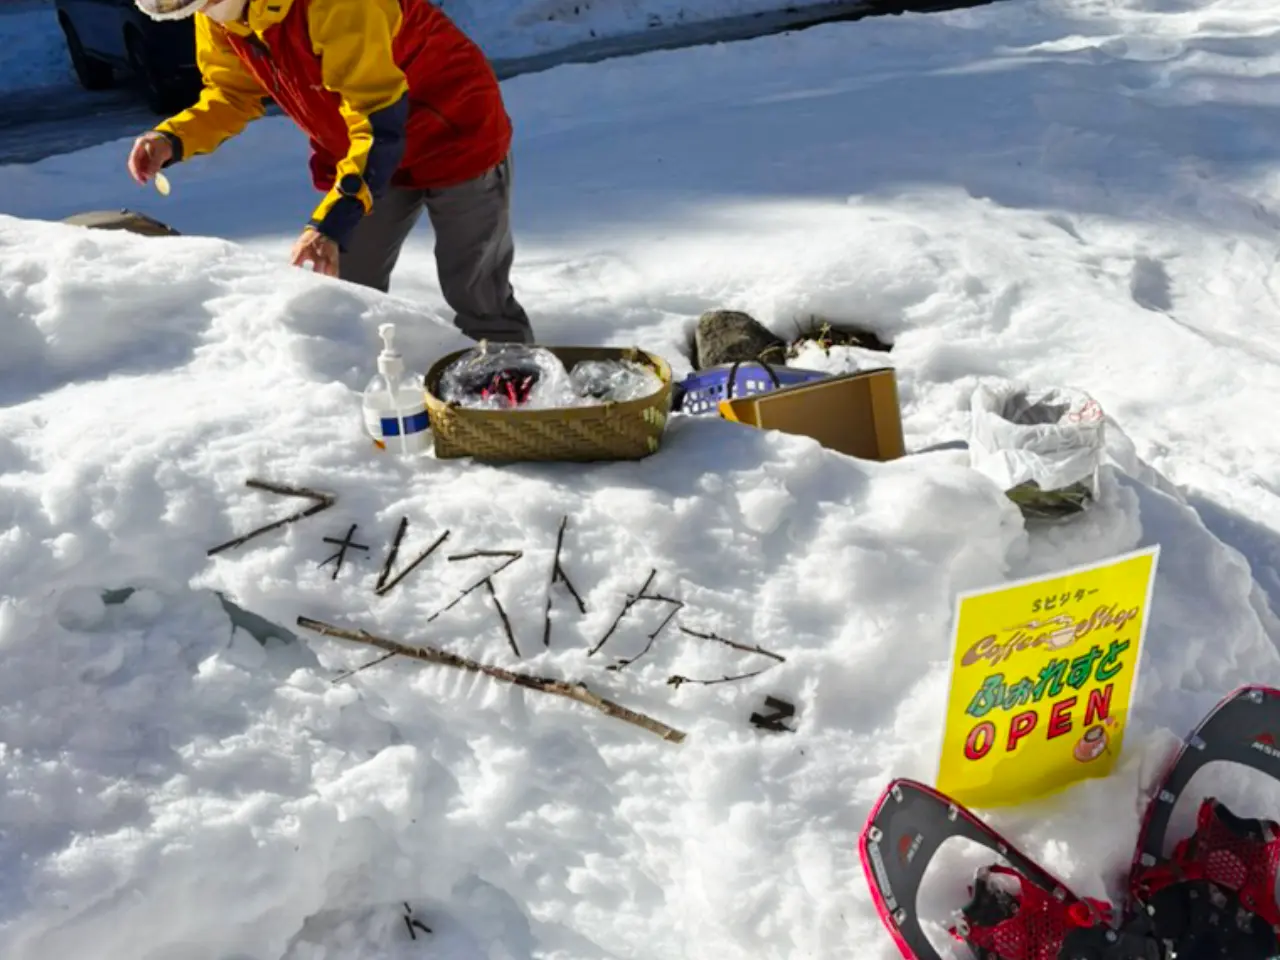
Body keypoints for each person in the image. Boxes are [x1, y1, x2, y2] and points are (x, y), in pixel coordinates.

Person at [127, 0, 535, 344]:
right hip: (365, 152)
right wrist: (172, 138)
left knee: (475, 286)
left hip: (454, 129)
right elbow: (233, 94)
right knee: (348, 287)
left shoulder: (335, 5)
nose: (204, 16)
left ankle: (510, 391)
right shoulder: (219, 17)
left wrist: (333, 219)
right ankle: (367, 389)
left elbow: (377, 118)